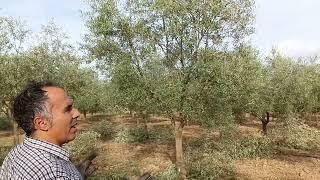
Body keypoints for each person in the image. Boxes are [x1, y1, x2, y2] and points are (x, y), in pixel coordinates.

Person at [0, 81, 82, 179]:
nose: (77, 113)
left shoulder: (17, 153)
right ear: (42, 123)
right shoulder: (55, 174)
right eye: (67, 109)